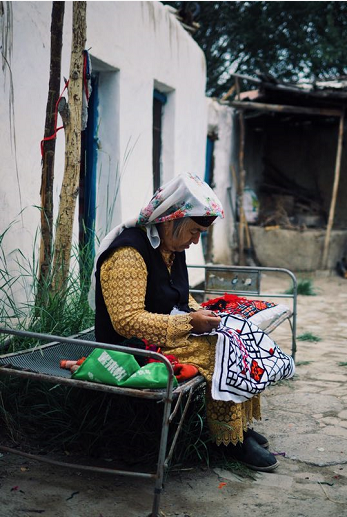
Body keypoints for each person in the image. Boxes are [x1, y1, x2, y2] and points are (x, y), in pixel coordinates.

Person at [89, 172, 278, 472]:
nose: (195, 240)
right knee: (221, 353)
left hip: (163, 336)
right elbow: (126, 321)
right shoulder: (128, 253)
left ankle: (237, 427)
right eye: (193, 231)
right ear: (170, 218)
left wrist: (206, 316)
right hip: (130, 348)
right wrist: (190, 324)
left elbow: (180, 297)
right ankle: (228, 440)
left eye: (201, 233)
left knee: (239, 339)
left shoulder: (171, 247)